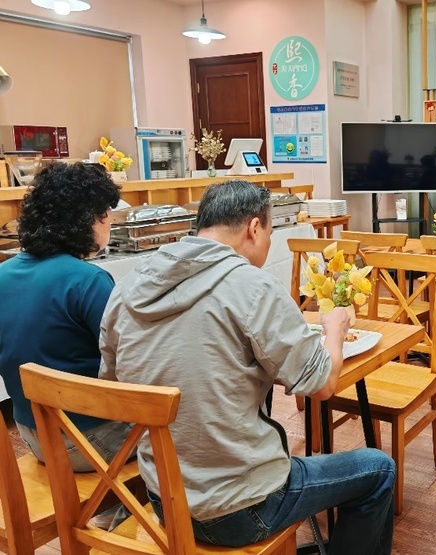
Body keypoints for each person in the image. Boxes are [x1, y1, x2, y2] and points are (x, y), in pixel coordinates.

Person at [99, 180, 395, 553]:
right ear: (255, 228)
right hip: (241, 509)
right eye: (269, 232)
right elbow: (321, 385)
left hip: (163, 498)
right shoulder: (253, 287)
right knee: (378, 469)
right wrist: (333, 330)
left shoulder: (126, 288)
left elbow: (113, 388)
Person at [0, 162, 131, 472]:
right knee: (181, 434)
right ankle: (128, 514)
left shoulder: (3, 275)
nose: (108, 224)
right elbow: (129, 361)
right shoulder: (87, 281)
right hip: (88, 440)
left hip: (33, 436)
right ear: (90, 219)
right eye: (106, 216)